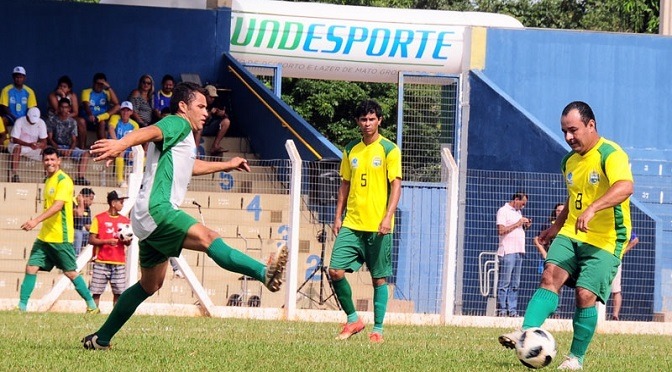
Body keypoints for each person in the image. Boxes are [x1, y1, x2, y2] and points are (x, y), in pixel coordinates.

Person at [81, 82, 288, 350]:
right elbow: (151, 130)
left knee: (150, 284)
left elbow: (189, 166)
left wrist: (228, 164)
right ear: (183, 106)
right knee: (208, 238)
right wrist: (121, 143)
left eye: (207, 107)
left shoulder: (185, 137)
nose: (206, 112)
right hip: (159, 209)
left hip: (147, 216)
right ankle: (264, 272)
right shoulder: (176, 123)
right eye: (200, 106)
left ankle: (101, 338)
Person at [498, 101, 633, 371]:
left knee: (585, 295)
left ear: (591, 125)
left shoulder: (610, 154)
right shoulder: (568, 161)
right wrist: (556, 227)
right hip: (572, 232)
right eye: (564, 131)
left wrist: (594, 208)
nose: (569, 137)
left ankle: (575, 359)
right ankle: (525, 333)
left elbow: (625, 186)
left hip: (606, 239)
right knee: (549, 275)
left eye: (573, 130)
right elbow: (574, 198)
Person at [328, 99, 402, 343]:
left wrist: (387, 216)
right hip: (352, 224)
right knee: (335, 270)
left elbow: (396, 186)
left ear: (379, 120)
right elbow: (344, 185)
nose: (367, 123)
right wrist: (338, 216)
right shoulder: (351, 150)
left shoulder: (390, 149)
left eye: (372, 119)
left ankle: (377, 330)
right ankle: (353, 319)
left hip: (378, 226)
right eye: (363, 119)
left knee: (378, 278)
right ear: (357, 122)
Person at [16, 146, 99, 313]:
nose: (49, 163)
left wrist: (35, 221)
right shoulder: (48, 180)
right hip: (45, 237)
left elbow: (58, 206)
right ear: (42, 162)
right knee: (31, 267)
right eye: (46, 160)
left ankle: (92, 306)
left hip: (60, 238)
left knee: (71, 273)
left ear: (59, 161)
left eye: (53, 159)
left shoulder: (64, 180)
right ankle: (21, 308)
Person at [87, 190, 132, 307]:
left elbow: (128, 243)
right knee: (96, 292)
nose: (122, 204)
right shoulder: (99, 218)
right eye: (121, 202)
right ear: (113, 203)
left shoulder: (125, 221)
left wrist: (127, 241)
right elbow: (91, 239)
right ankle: (93, 312)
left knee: (119, 293)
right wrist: (106, 241)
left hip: (119, 262)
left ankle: (115, 317)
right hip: (101, 261)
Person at [496, 192, 532, 317]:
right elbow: (501, 231)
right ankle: (502, 309)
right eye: (522, 203)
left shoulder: (518, 212)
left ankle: (512, 310)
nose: (523, 206)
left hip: (519, 251)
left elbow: (517, 229)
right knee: (505, 282)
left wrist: (525, 225)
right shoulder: (503, 211)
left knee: (515, 283)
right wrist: (517, 223)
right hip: (508, 251)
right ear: (516, 199)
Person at [47, 98, 91, 185]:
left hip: (68, 147)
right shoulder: (52, 120)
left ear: (69, 108)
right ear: (59, 108)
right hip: (55, 146)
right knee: (47, 152)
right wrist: (58, 149)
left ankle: (80, 178)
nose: (64, 109)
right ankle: (49, 177)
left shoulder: (72, 121)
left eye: (66, 107)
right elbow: (50, 138)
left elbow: (74, 140)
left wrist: (70, 150)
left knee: (86, 153)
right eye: (62, 107)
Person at [7, 107, 48, 183]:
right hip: (18, 145)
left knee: (47, 150)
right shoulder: (20, 121)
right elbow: (15, 139)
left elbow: (44, 141)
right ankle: (14, 174)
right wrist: (29, 144)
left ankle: (47, 176)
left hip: (33, 147)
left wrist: (39, 145)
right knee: (17, 147)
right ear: (27, 116)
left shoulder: (41, 123)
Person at [78, 72, 120, 145]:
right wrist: (90, 115)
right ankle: (83, 147)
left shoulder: (106, 92)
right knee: (81, 121)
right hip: (89, 117)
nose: (99, 86)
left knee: (103, 121)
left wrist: (109, 87)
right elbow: (85, 105)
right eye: (98, 83)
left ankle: (103, 147)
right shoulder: (87, 91)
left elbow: (116, 103)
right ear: (93, 83)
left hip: (101, 118)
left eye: (102, 84)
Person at [108, 101, 139, 187]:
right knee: (121, 152)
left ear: (131, 112)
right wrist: (118, 144)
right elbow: (111, 129)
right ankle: (120, 180)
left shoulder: (134, 124)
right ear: (120, 111)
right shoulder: (115, 118)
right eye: (123, 110)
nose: (125, 112)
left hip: (127, 148)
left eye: (128, 110)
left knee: (138, 155)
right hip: (114, 146)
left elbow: (134, 139)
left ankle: (137, 181)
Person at [609, 232, 639, 321]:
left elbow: (635, 240)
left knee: (616, 290)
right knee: (595, 288)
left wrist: (622, 252)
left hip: (615, 260)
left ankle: (615, 316)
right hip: (602, 259)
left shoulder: (622, 227)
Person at [193, 84, 228, 156]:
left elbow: (226, 115)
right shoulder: (199, 102)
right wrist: (210, 113)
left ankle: (215, 146)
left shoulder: (216, 103)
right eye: (210, 97)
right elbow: (197, 118)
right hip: (198, 127)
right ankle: (194, 151)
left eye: (214, 97)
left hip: (211, 127)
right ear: (205, 95)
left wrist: (222, 114)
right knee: (200, 127)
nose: (212, 99)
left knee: (226, 121)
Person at [533, 203, 565, 274]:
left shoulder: (568, 226)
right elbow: (536, 240)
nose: (560, 213)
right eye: (558, 211)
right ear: (555, 212)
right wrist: (544, 254)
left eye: (562, 211)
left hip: (564, 258)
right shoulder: (548, 225)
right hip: (550, 258)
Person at [74, 188, 95, 256]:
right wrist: (81, 203)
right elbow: (79, 213)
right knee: (78, 233)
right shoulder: (73, 203)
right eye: (91, 199)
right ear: (84, 197)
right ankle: (76, 254)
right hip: (71, 230)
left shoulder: (87, 209)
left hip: (80, 231)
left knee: (92, 235)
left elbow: (88, 226)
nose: (92, 202)